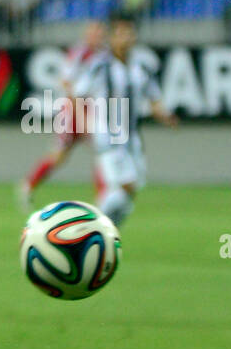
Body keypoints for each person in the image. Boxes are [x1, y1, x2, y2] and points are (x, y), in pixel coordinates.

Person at [71, 12, 178, 227]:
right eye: (120, 34)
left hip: (132, 139)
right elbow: (76, 95)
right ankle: (84, 225)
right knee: (125, 186)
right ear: (111, 37)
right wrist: (84, 126)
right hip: (109, 139)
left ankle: (104, 234)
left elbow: (153, 97)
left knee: (128, 196)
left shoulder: (141, 67)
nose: (125, 38)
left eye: (129, 33)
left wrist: (166, 117)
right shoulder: (99, 65)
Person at [18, 19, 107, 212]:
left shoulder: (104, 56)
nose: (96, 36)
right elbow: (66, 82)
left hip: (94, 108)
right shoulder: (79, 54)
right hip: (74, 109)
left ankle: (103, 200)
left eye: (99, 32)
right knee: (59, 156)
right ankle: (28, 185)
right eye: (93, 32)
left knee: (102, 152)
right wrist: (77, 111)